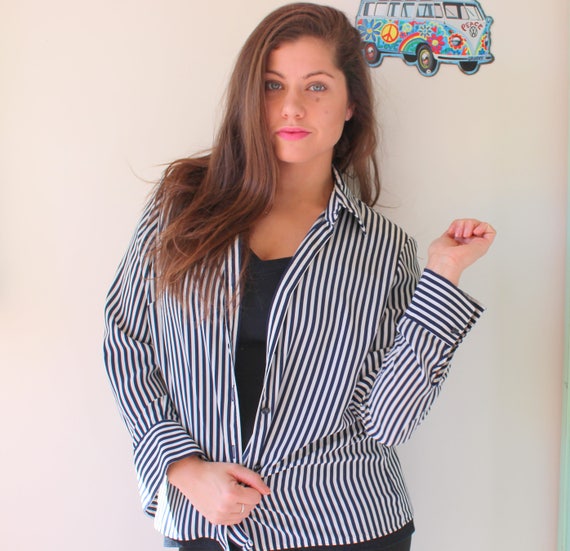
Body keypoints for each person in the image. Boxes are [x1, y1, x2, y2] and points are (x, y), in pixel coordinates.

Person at [103, 3, 495, 551]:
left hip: (344, 526)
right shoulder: (182, 208)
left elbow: (388, 423)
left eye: (316, 87)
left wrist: (443, 276)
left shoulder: (383, 251)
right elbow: (126, 338)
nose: (291, 107)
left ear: (350, 104)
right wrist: (180, 466)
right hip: (203, 523)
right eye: (272, 85)